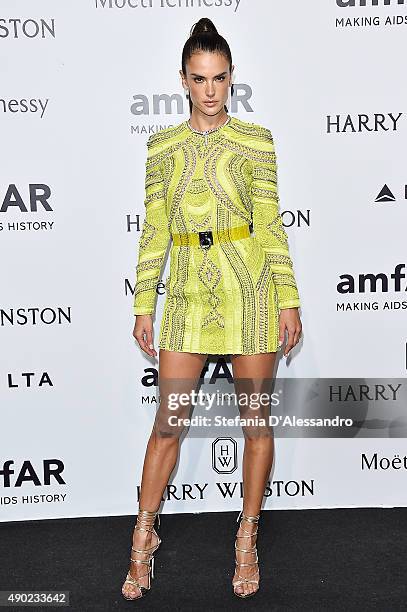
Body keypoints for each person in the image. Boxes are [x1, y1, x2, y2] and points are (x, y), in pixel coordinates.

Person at [122, 17, 302, 601]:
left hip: (248, 291)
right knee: (168, 426)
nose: (210, 90)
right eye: (199, 79)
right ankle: (143, 537)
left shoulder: (256, 141)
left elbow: (272, 227)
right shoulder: (162, 147)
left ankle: (247, 538)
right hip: (190, 296)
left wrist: (288, 298)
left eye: (220, 78)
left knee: (256, 425)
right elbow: (153, 233)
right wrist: (144, 304)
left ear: (232, 79)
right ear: (183, 80)